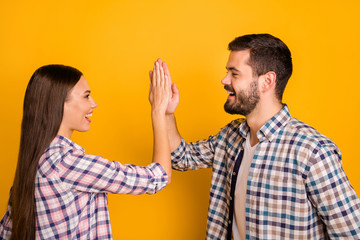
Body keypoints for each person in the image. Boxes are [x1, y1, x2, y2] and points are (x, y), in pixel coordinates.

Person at [155, 34, 360, 239]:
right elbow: (181, 157)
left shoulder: (313, 152)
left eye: (234, 74)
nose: (224, 80)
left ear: (267, 81)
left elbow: (351, 233)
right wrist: (167, 113)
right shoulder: (230, 137)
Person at [0, 62, 171, 239]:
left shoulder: (35, 160)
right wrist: (159, 111)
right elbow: (158, 177)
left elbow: (6, 233)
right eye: (86, 96)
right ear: (58, 104)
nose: (94, 104)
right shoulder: (65, 163)